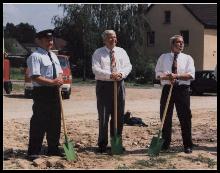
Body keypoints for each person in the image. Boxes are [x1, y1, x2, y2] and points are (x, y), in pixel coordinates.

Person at [92, 30, 132, 153]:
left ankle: (116, 143)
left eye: (114, 37)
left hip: (119, 84)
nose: (113, 39)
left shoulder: (121, 51)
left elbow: (128, 66)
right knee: (103, 115)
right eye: (110, 38)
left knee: (118, 115)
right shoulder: (98, 52)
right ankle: (102, 144)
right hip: (104, 85)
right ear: (104, 40)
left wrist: (121, 74)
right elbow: (95, 69)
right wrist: (110, 75)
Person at [26, 29, 64, 160]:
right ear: (39, 41)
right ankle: (34, 150)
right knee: (39, 121)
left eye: (51, 40)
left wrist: (59, 79)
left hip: (54, 91)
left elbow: (59, 71)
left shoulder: (53, 55)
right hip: (42, 92)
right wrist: (53, 81)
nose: (50, 42)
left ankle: (53, 149)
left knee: (55, 121)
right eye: (47, 40)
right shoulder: (35, 56)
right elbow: (35, 77)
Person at [155, 35, 195, 154]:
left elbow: (191, 75)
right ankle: (165, 144)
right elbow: (157, 73)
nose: (181, 44)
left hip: (182, 90)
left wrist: (176, 76)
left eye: (182, 42)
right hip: (168, 89)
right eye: (178, 42)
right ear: (172, 44)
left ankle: (188, 144)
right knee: (165, 117)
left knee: (185, 117)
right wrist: (167, 77)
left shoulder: (188, 58)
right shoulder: (163, 57)